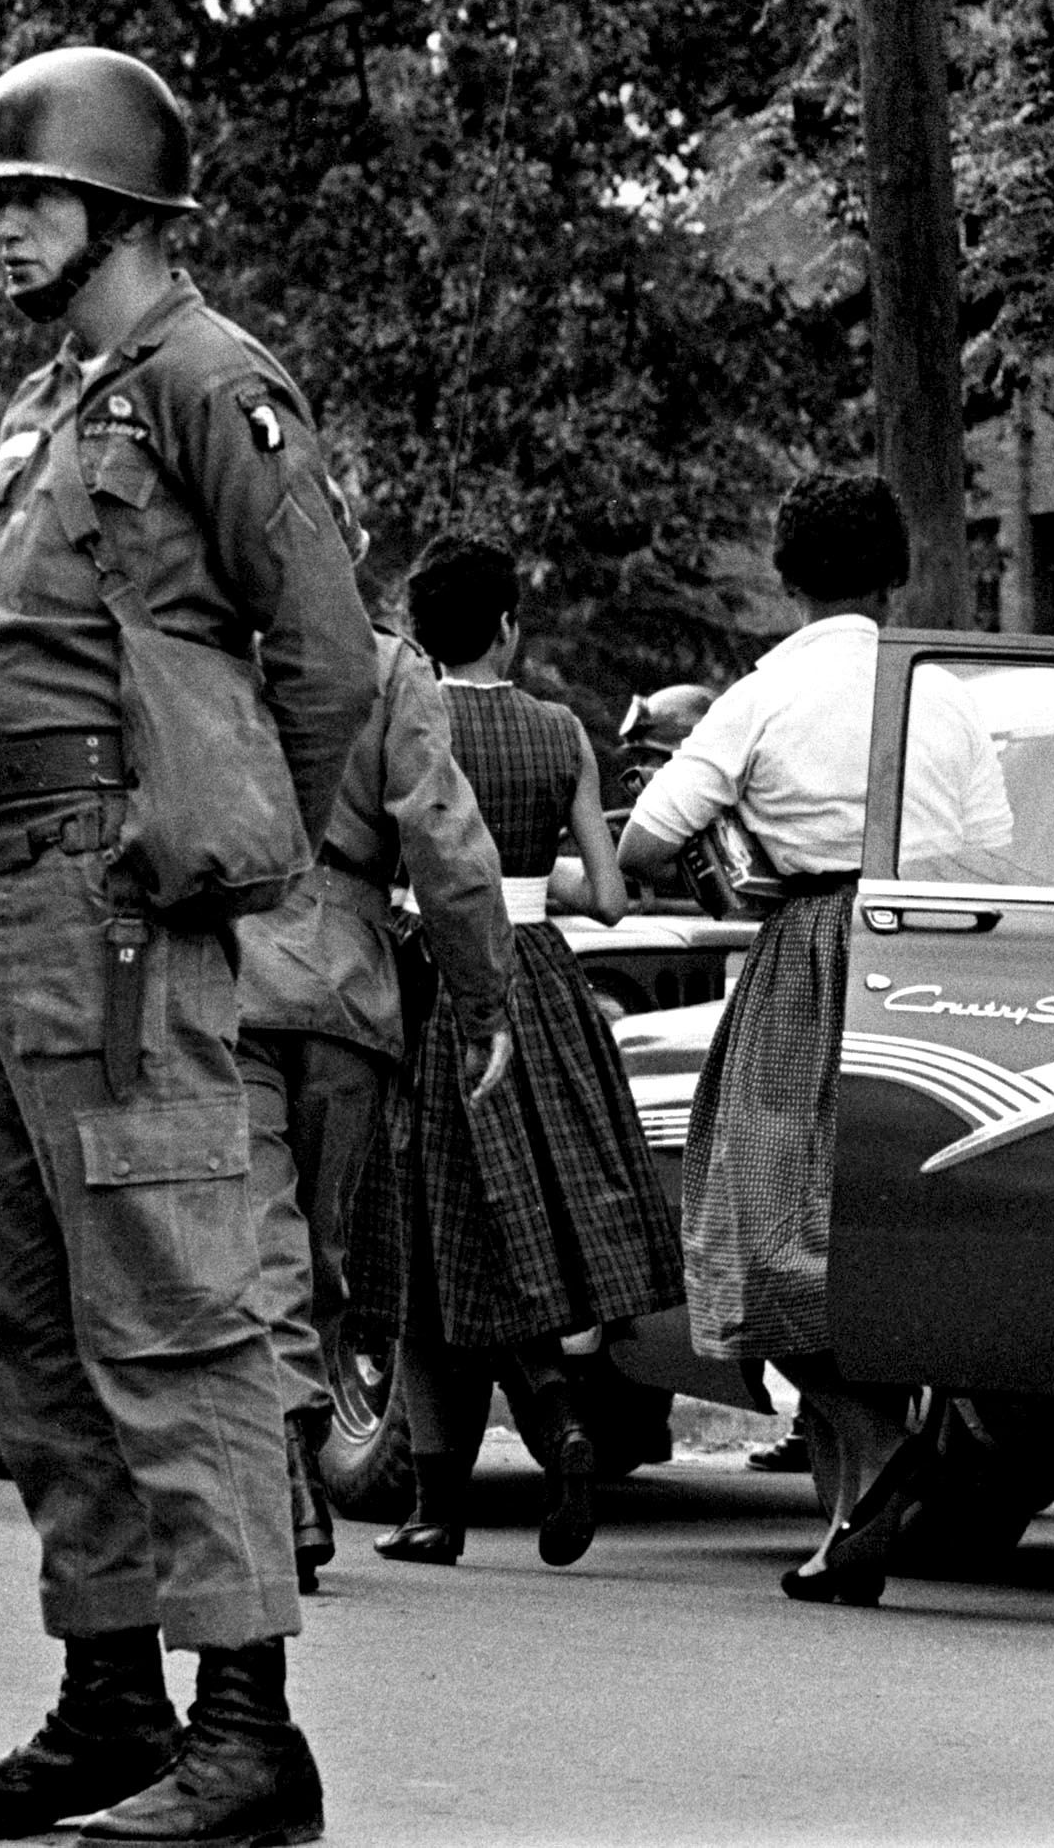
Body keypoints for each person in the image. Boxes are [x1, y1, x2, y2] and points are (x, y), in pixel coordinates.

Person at [0, 46, 382, 1847]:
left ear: (118, 206)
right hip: (6, 921)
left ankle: (247, 1733)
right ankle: (113, 1703)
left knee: (179, 1322)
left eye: (22, 199)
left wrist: (209, 849)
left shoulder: (210, 380)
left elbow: (326, 662)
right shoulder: (52, 408)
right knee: (29, 1334)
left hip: (120, 928)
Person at [618, 471, 1007, 1603]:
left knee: (760, 1222)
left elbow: (646, 840)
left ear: (785, 579)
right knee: (876, 1228)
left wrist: (744, 831)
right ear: (894, 573)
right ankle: (847, 1521)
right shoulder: (942, 692)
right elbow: (991, 845)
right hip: (935, 960)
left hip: (811, 953)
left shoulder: (763, 693)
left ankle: (876, 1451)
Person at [360, 536, 683, 1570]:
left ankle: (447, 1500)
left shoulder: (404, 719)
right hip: (539, 981)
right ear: (508, 627)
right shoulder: (561, 732)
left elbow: (381, 863)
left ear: (418, 633)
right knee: (509, 1232)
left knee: (424, 1241)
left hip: (429, 977)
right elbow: (613, 893)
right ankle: (557, 1419)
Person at [234, 517, 514, 1597]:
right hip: (345, 981)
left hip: (219, 970)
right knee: (321, 1240)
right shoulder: (392, 668)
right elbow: (444, 840)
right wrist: (486, 998)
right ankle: (293, 1464)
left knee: (253, 1234)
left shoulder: (202, 655)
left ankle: (284, 1477)